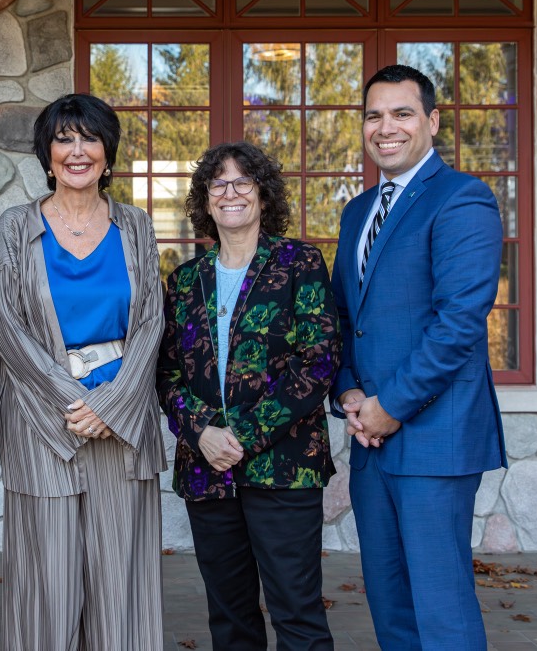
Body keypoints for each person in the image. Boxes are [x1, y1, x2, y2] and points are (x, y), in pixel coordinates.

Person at [331, 64, 506, 650]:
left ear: (431, 121)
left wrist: (392, 407)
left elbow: (457, 324)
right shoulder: (357, 212)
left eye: (402, 113)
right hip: (369, 438)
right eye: (374, 115)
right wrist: (351, 393)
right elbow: (347, 321)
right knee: (391, 603)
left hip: (434, 437)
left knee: (441, 607)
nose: (387, 127)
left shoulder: (462, 199)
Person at [0, 93, 166, 650]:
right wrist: (75, 403)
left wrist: (109, 406)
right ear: (47, 154)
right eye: (64, 139)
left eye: (89, 138)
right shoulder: (15, 226)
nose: (77, 150)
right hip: (43, 426)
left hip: (122, 426)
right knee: (48, 591)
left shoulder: (135, 226)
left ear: (108, 154)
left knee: (121, 588)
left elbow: (152, 321)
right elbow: (3, 323)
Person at [157, 141, 339, 650]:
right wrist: (201, 433)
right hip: (207, 470)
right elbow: (166, 372)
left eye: (243, 182)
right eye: (218, 184)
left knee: (297, 614)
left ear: (263, 195)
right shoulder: (185, 281)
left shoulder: (299, 262)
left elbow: (319, 360)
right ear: (205, 199)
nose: (230, 193)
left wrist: (240, 432)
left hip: (283, 467)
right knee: (230, 619)